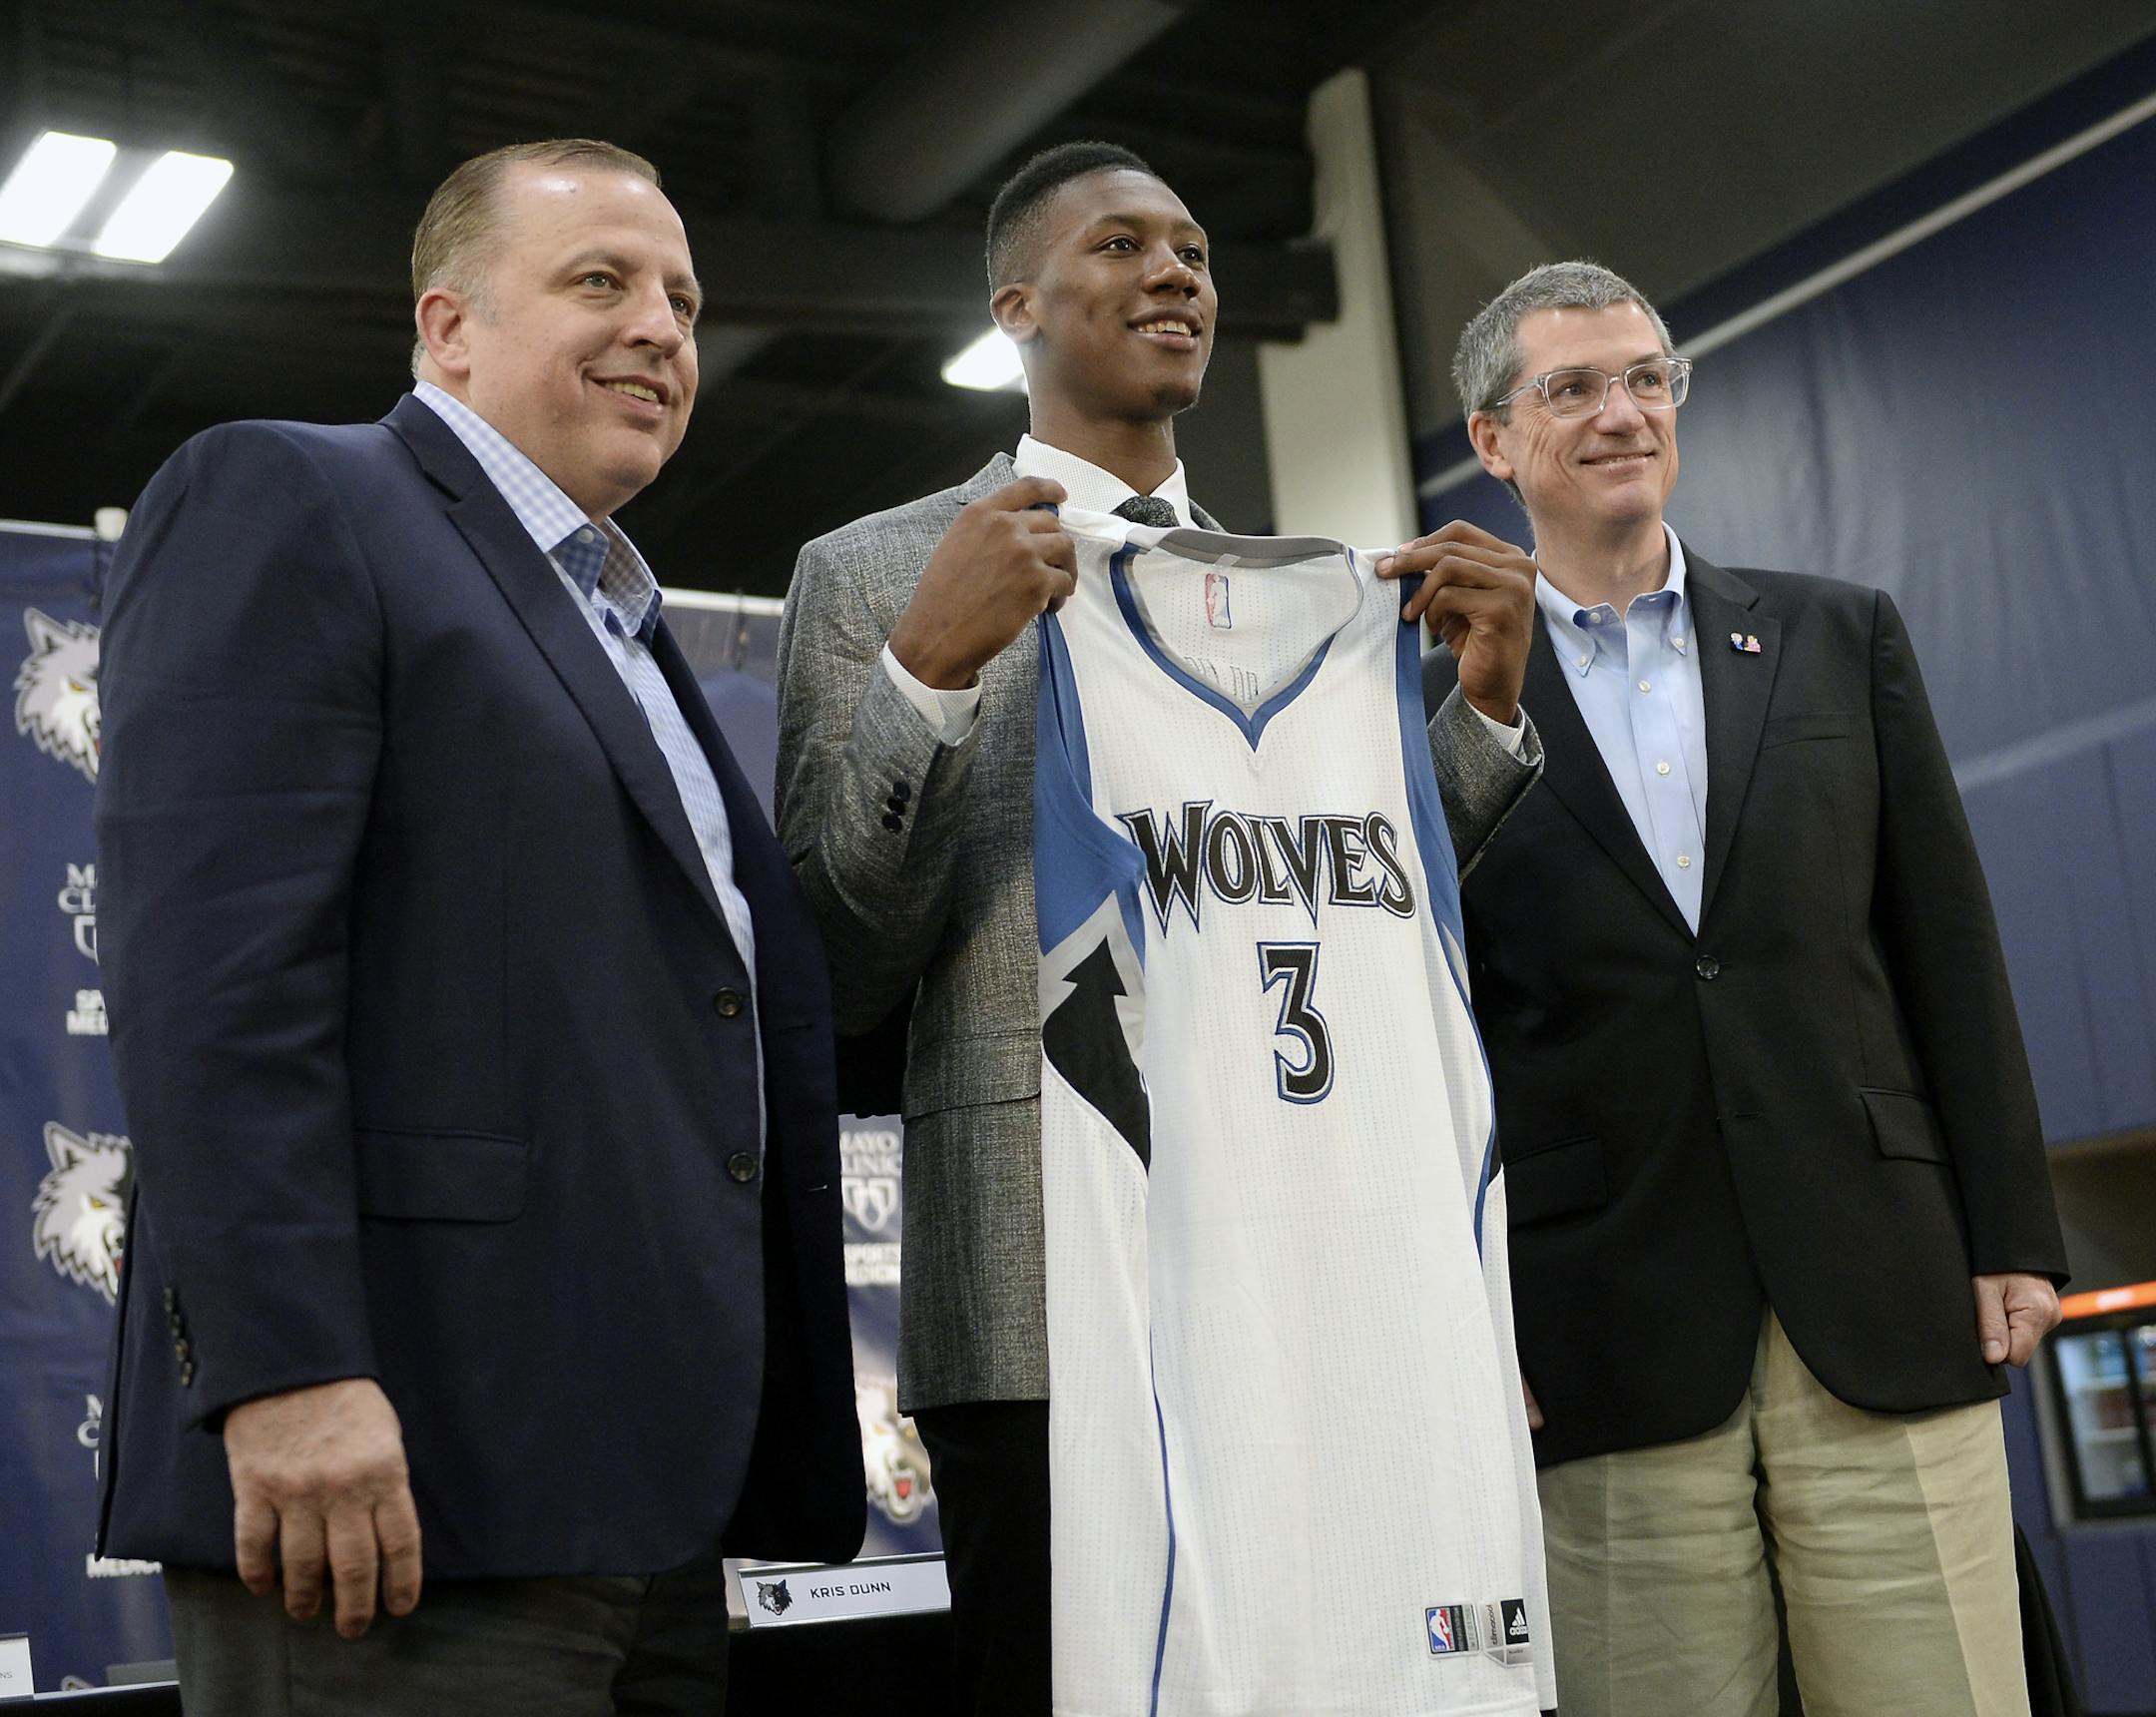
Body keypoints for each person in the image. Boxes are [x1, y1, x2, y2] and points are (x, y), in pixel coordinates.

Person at [93, 138, 862, 1715]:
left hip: (649, 1510)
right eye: (601, 280)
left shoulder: (628, 630)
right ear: (448, 327)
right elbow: (216, 988)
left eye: (684, 298)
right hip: (398, 1496)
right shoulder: (298, 495)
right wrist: (286, 1372)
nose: (662, 325)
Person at [774, 139, 1542, 1714]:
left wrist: (1478, 715)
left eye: (1193, 249)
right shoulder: (872, 574)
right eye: (1123, 247)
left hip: (1307, 1260)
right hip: (1048, 1295)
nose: (1177, 273)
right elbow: (839, 960)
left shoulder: (1322, 589)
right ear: (1018, 309)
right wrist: (926, 672)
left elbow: (1350, 918)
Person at [1423, 259, 2069, 1717]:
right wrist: (1462, 1321)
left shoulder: (1841, 636)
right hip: (1601, 1331)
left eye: (1648, 377)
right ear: (1491, 438)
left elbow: (1946, 944)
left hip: (1888, 1296)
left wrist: (2014, 1224)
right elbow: (1425, 1031)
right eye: (1571, 387)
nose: (1622, 412)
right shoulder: (1423, 701)